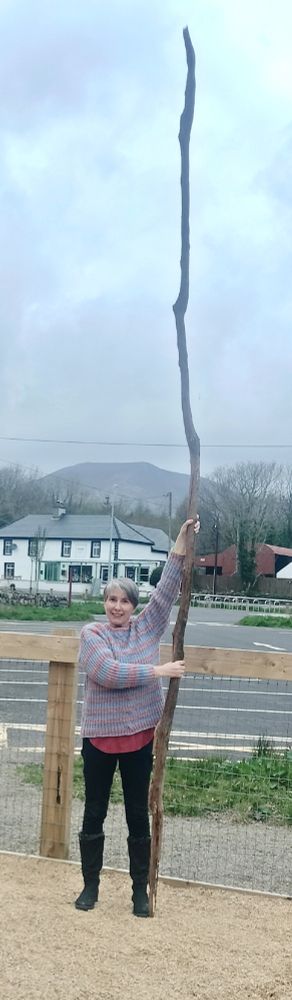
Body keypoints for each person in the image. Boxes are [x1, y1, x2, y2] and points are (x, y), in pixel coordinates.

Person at [75, 516, 200, 917]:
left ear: (133, 605)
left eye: (125, 600)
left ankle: (139, 893)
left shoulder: (146, 628)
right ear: (104, 603)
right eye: (111, 599)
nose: (117, 606)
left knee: (136, 816)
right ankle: (90, 886)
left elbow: (165, 591)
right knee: (94, 810)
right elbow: (108, 674)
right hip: (99, 738)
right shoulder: (92, 635)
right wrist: (157, 672)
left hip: (138, 739)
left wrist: (181, 541)